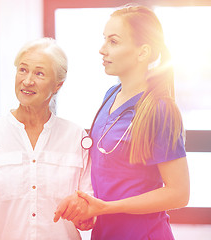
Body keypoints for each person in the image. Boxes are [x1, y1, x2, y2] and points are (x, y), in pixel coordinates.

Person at [54, 4, 190, 240]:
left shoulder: (160, 110)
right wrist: (90, 209)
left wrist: (106, 208)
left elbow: (179, 193)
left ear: (142, 52)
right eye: (104, 39)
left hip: (143, 234)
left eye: (113, 42)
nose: (101, 49)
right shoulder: (111, 95)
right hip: (105, 233)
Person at [0, 38, 92, 240]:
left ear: (57, 85)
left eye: (39, 73)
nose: (27, 81)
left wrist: (86, 214)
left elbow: (90, 209)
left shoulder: (76, 137)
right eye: (23, 70)